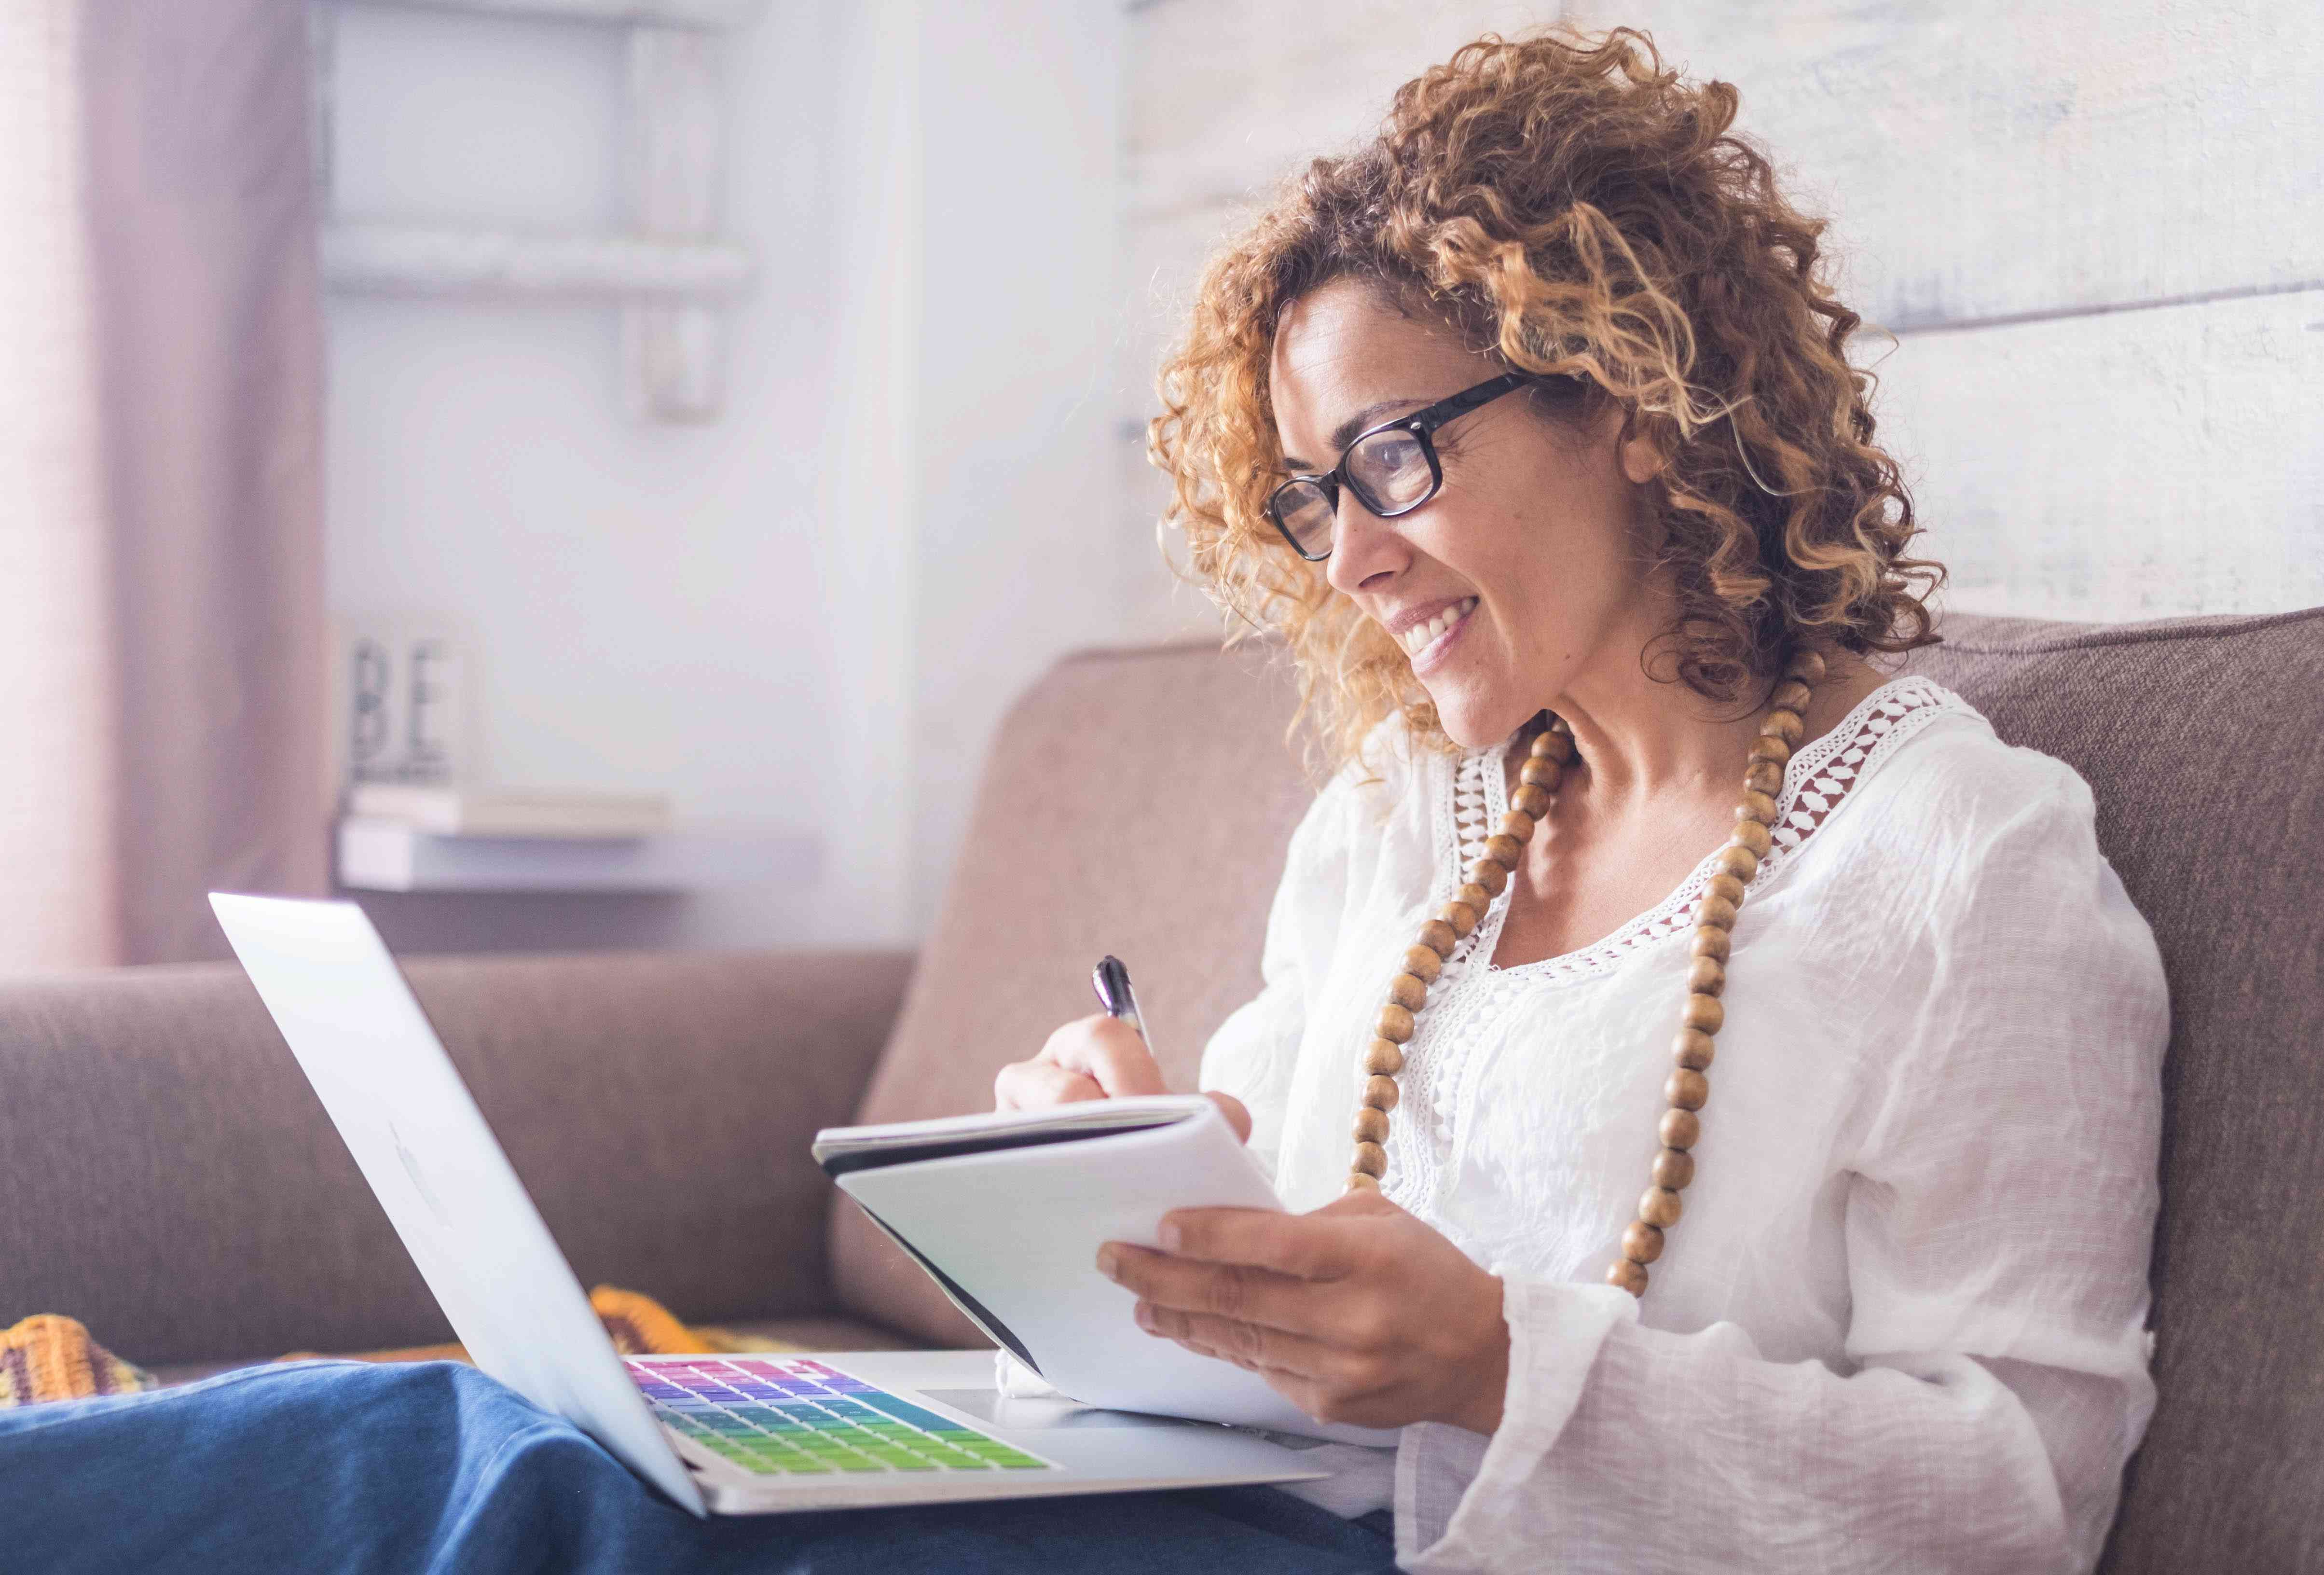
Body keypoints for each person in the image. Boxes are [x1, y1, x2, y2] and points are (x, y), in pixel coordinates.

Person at [0, 24, 2164, 1575]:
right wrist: (1106, 1177)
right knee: (494, 1428)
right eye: (1314, 493)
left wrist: (1510, 1367)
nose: (1348, 554)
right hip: (1183, 1498)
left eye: (1395, 459)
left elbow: (2017, 1494)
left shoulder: (1959, 867)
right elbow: (1259, 1272)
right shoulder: (1403, 834)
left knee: (541, 1500)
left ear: (1631, 395)